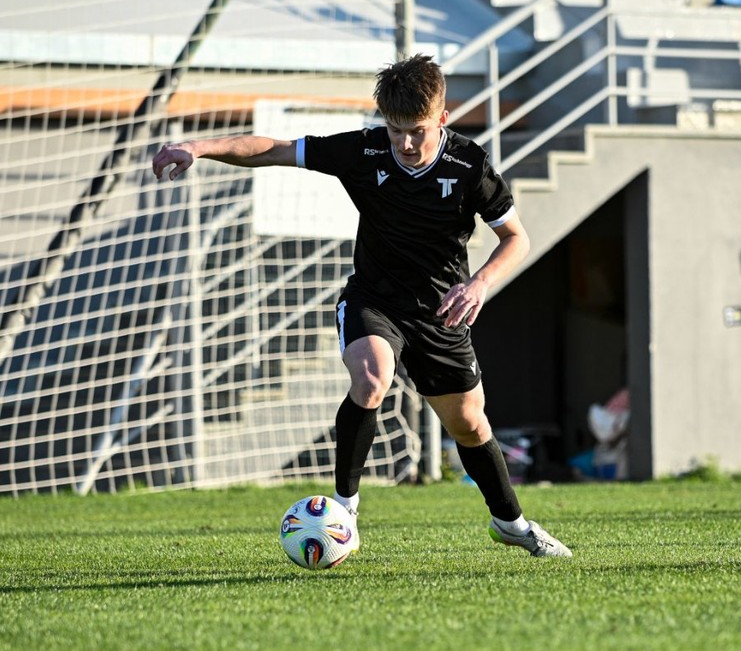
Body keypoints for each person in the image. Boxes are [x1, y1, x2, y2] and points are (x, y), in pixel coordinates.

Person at [152, 54, 572, 558]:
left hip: (440, 313)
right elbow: (273, 149)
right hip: (374, 299)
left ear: (441, 119)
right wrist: (197, 147)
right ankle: (343, 510)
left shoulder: (470, 165)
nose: (406, 143)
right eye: (396, 130)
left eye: (416, 130)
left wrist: (479, 284)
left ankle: (511, 523)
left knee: (469, 424)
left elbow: (516, 239)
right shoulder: (365, 151)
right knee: (372, 377)